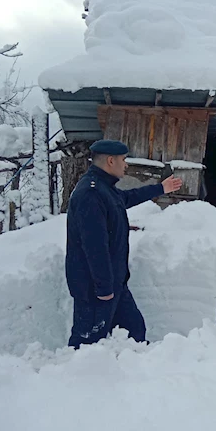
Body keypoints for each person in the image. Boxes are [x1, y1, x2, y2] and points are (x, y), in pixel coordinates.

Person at [65, 140, 183, 348]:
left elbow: (127, 198)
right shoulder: (90, 194)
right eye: (123, 160)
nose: (126, 164)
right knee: (86, 343)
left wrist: (160, 188)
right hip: (95, 288)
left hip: (114, 282)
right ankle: (75, 375)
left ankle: (131, 375)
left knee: (135, 332)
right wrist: (103, 288)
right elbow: (94, 247)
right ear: (111, 161)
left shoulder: (105, 189)